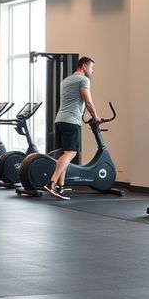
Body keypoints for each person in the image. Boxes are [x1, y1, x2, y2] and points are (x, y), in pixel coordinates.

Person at [43, 57, 105, 200]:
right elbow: (88, 101)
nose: (92, 71)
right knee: (70, 153)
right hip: (71, 121)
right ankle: (51, 183)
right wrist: (96, 117)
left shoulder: (66, 80)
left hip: (59, 120)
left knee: (63, 154)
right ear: (84, 66)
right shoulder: (84, 80)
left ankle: (60, 187)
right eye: (91, 68)